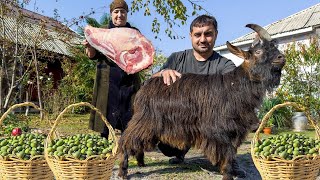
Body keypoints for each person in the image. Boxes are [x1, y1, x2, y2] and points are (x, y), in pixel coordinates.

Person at [152, 15, 246, 178]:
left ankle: (227, 158)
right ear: (191, 36)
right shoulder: (176, 58)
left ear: (216, 34)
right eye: (198, 35)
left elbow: (236, 92)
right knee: (168, 149)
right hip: (181, 120)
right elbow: (151, 83)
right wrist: (162, 72)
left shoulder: (225, 65)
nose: (203, 39)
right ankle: (180, 151)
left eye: (208, 34)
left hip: (211, 123)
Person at [83, 0, 141, 139]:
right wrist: (89, 45)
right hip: (107, 79)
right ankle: (104, 151)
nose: (119, 15)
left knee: (129, 116)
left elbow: (140, 54)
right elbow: (92, 56)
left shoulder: (133, 32)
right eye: (116, 12)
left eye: (123, 12)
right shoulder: (102, 32)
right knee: (105, 113)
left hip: (129, 80)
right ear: (111, 14)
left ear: (127, 14)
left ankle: (126, 151)